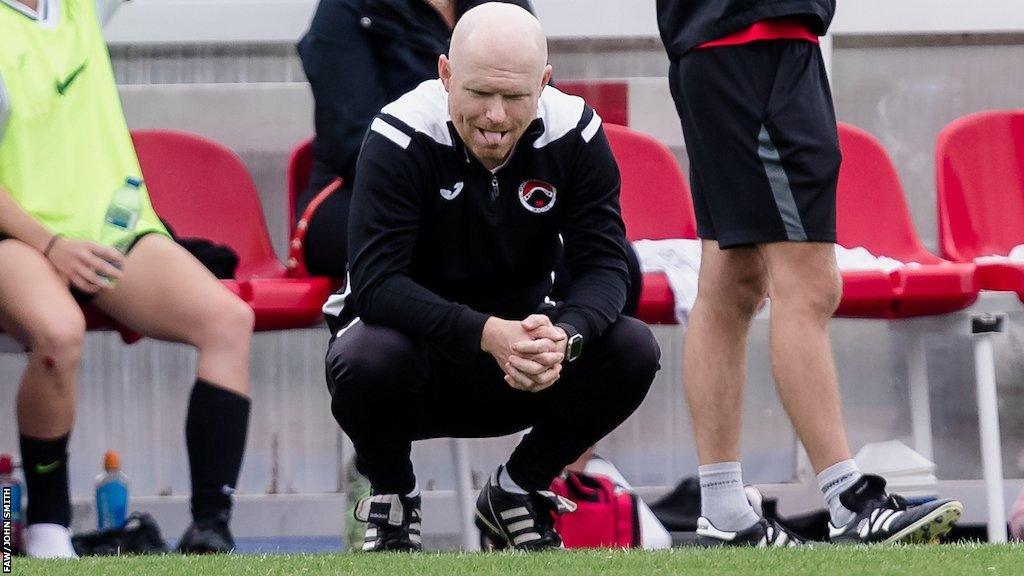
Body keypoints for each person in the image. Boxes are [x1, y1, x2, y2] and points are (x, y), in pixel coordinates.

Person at [323, 3, 660, 551]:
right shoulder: (400, 134)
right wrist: (487, 334)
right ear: (445, 74)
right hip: (419, 366)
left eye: (516, 97)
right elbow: (376, 284)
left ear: (545, 83)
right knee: (364, 359)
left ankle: (518, 491)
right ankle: (392, 498)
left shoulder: (575, 132)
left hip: (525, 363)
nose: (497, 117)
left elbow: (606, 266)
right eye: (479, 93)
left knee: (632, 348)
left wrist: (564, 339)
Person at [657, 0, 964, 546]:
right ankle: (849, 501)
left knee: (732, 279)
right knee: (808, 282)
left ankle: (723, 509)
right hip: (755, 46)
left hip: (727, 47)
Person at [0, 0, 254, 557]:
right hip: (16, 237)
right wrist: (50, 245)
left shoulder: (74, 8)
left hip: (109, 231)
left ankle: (211, 527)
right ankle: (45, 526)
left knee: (228, 321)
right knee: (58, 335)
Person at [295, 0, 643, 318]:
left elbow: (525, 106)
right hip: (359, 188)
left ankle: (550, 360)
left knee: (615, 264)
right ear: (445, 73)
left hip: (495, 182)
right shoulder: (346, 9)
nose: (495, 110)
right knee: (422, 264)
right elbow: (350, 139)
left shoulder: (506, 7)